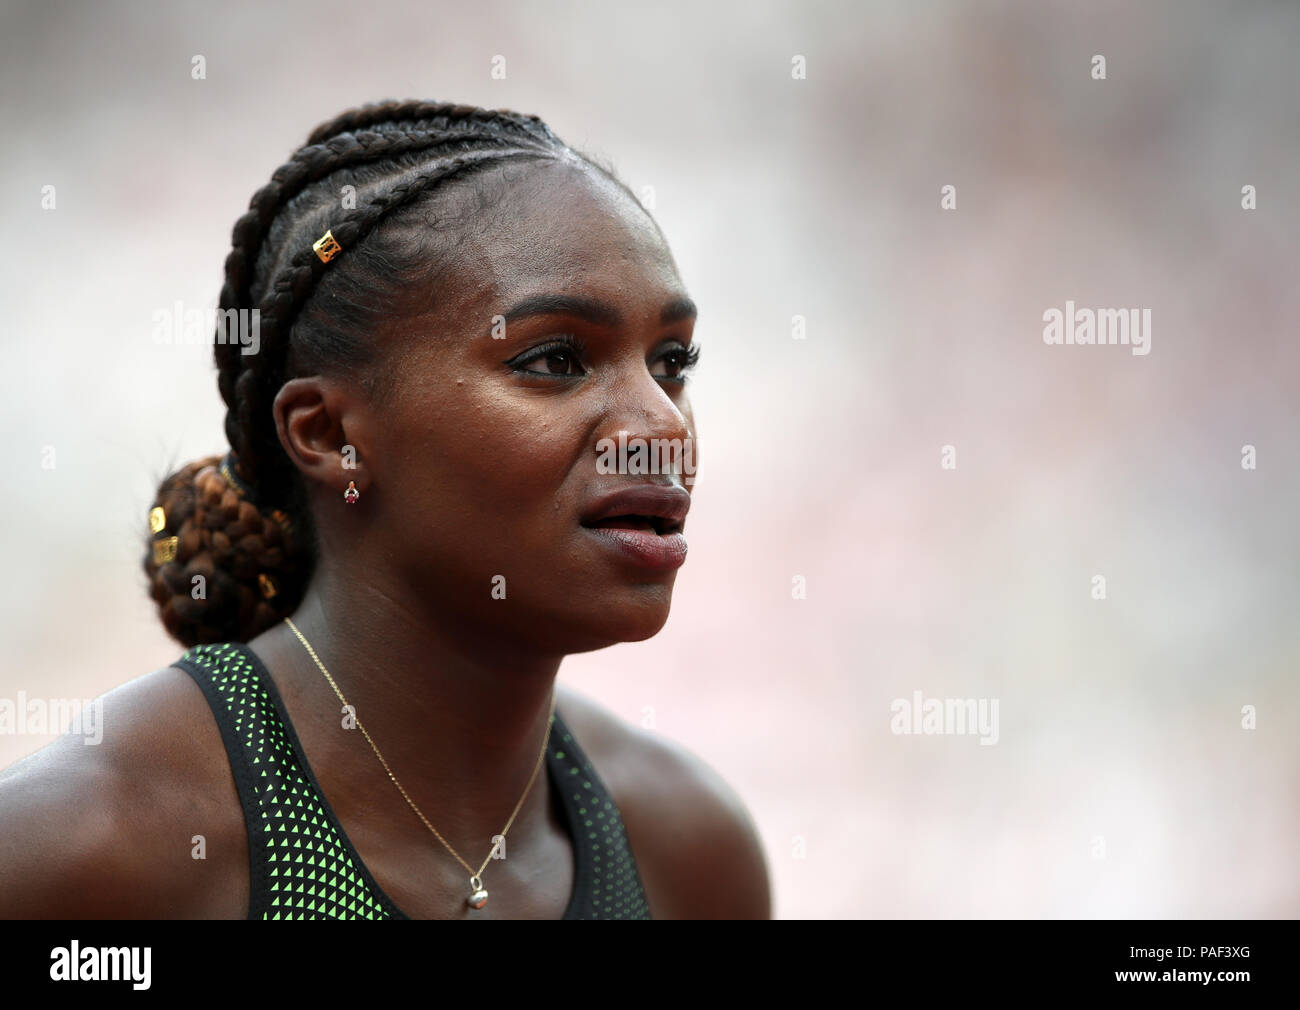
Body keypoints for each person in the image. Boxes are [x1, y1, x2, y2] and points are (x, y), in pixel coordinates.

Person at [0, 100, 770, 919]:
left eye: (673, 362)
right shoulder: (89, 849)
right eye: (556, 360)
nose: (660, 426)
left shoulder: (687, 846)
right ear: (330, 433)